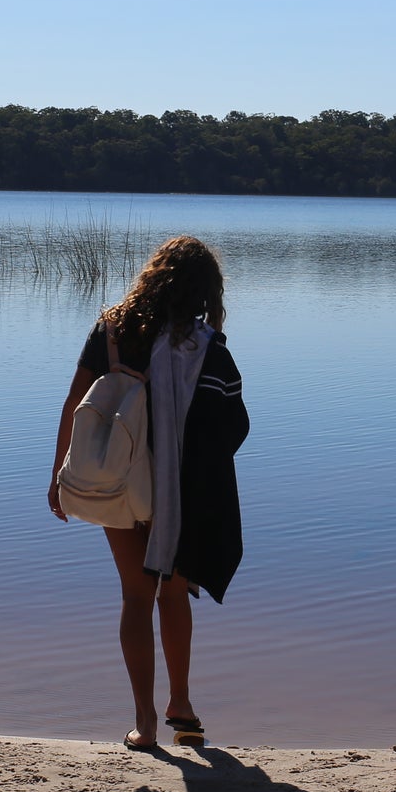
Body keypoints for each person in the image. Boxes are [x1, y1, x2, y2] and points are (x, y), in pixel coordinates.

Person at [48, 235, 249, 750]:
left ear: (153, 275)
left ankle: (145, 722)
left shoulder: (113, 328)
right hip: (176, 489)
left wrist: (59, 476)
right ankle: (181, 704)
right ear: (205, 291)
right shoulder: (206, 347)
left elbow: (76, 403)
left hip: (117, 477)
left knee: (135, 595)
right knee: (173, 592)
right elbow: (234, 427)